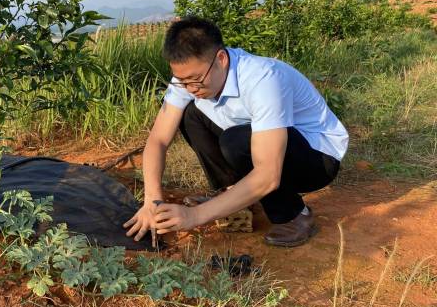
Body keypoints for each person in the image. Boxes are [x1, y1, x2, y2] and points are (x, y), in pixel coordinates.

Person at [123, 16, 348, 247]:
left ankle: (294, 214)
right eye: (182, 81)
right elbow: (158, 139)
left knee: (237, 141)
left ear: (221, 59)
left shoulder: (263, 78)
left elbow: (268, 175)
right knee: (191, 114)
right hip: (264, 142)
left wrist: (195, 216)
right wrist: (152, 201)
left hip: (317, 159)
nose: (190, 88)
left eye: (195, 80)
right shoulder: (190, 77)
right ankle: (232, 194)